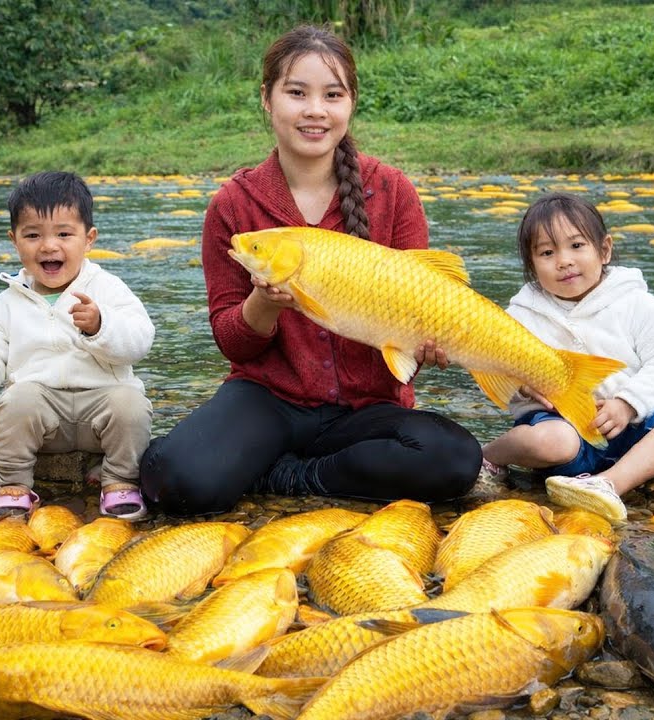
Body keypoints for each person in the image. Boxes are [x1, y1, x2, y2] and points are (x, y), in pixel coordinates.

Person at [139, 25, 482, 516]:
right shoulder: (234, 205)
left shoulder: (392, 191)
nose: (315, 110)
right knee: (174, 478)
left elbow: (417, 318)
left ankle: (293, 475)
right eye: (296, 93)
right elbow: (232, 342)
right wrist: (263, 303)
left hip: (370, 408)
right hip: (269, 400)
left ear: (351, 103)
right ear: (267, 98)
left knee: (454, 459)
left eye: (332, 95)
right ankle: (305, 463)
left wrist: (428, 344)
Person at [0, 171, 154, 520]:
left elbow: (140, 339)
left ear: (89, 239)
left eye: (64, 234)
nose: (49, 246)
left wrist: (102, 326)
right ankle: (12, 485)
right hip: (44, 414)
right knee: (16, 400)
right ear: (14, 240)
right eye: (33, 235)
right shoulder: (7, 303)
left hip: (102, 403)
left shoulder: (108, 288)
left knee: (131, 404)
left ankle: (119, 482)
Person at [481, 192, 654, 524]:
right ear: (531, 266)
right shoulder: (521, 315)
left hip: (632, 433)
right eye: (546, 252)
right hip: (562, 434)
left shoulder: (636, 303)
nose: (564, 261)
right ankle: (488, 456)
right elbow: (493, 366)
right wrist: (522, 385)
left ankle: (608, 484)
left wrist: (628, 403)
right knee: (553, 441)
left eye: (576, 246)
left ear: (604, 250)